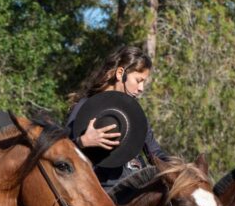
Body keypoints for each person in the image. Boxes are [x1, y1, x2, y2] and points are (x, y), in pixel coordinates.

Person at [67, 45, 169, 186]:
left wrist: (181, 170)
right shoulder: (85, 107)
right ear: (121, 73)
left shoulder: (136, 114)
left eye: (144, 82)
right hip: (100, 195)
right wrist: (83, 141)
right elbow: (60, 155)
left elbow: (156, 154)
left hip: (136, 194)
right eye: (138, 81)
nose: (141, 89)